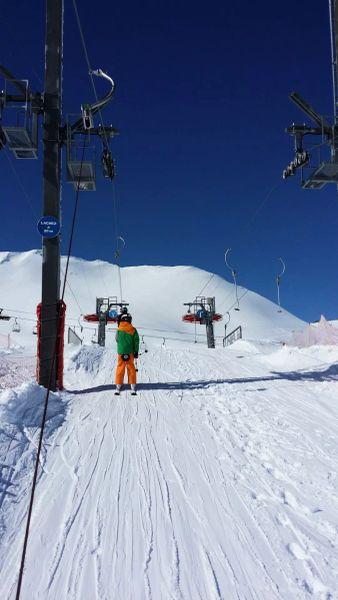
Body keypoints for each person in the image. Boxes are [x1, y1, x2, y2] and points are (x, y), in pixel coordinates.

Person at [115, 312, 139, 395]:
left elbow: (116, 339)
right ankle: (132, 385)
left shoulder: (118, 329)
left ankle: (118, 385)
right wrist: (136, 351)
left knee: (120, 367)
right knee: (131, 367)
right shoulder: (133, 330)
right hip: (130, 352)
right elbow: (136, 341)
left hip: (121, 352)